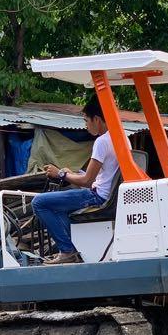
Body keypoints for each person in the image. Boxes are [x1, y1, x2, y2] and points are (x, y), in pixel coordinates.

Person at [33, 96, 121, 265]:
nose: (86, 125)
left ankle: (67, 251)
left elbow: (88, 181)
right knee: (57, 208)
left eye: (86, 120)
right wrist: (72, 173)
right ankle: (73, 249)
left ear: (96, 119)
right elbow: (100, 175)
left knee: (39, 203)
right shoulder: (120, 137)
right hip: (104, 193)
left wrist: (61, 174)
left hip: (97, 196)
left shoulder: (102, 142)